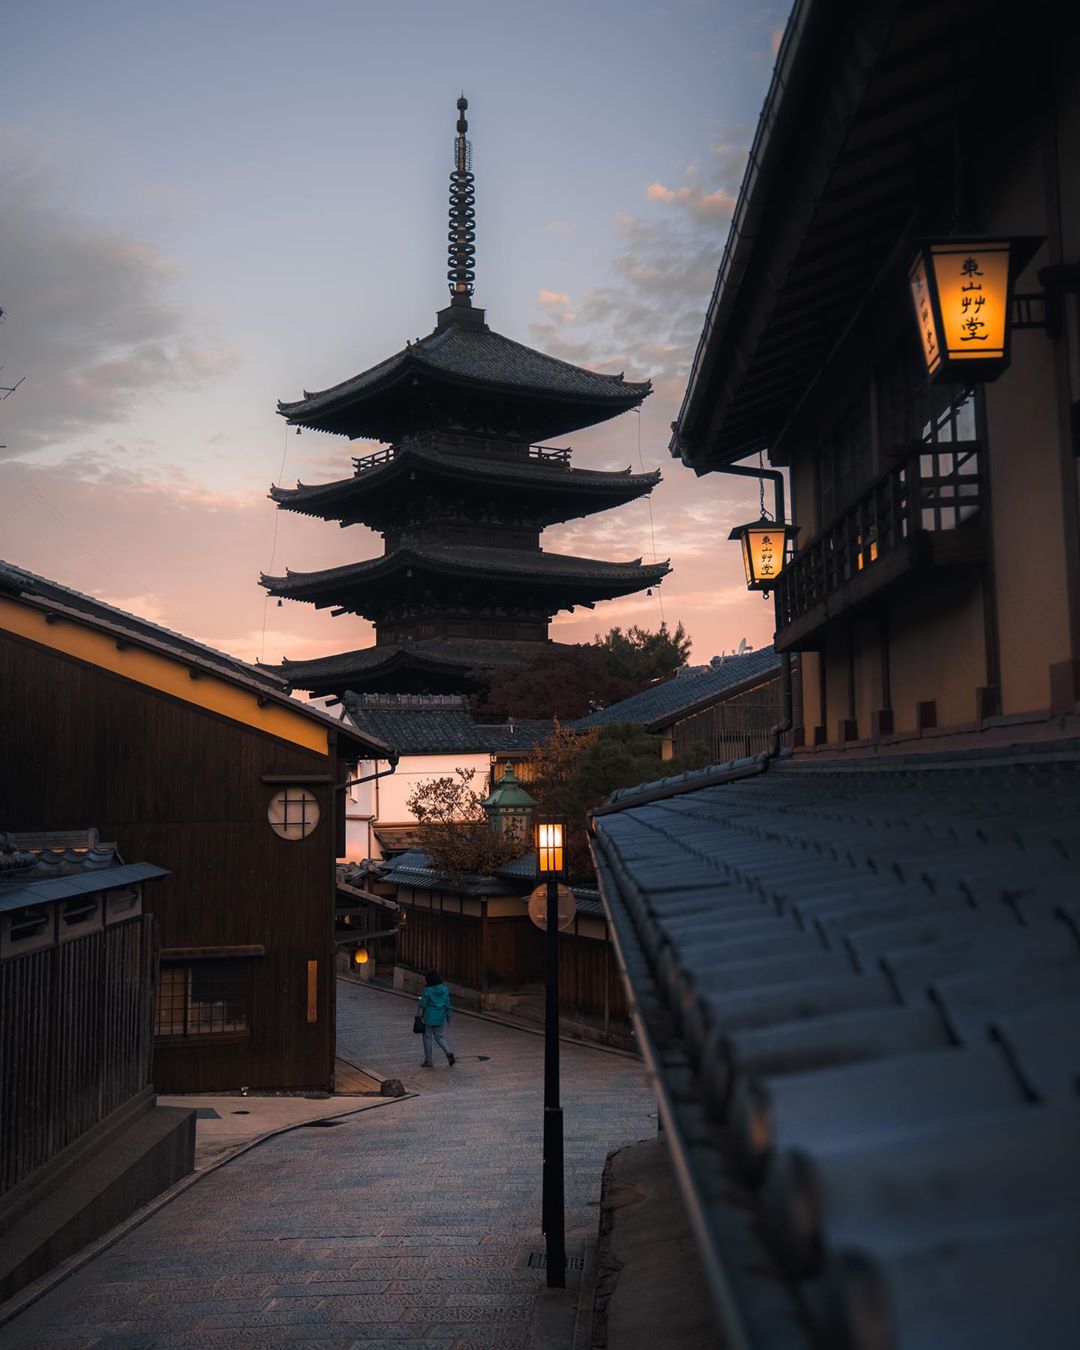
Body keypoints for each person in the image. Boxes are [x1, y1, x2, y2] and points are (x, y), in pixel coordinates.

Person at [418, 969, 455, 1068]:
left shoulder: (427, 990)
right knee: (440, 1036)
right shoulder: (445, 989)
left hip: (429, 1017)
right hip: (440, 1016)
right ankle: (448, 1052)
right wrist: (449, 1017)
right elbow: (447, 1004)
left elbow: (423, 1004)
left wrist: (420, 1012)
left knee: (427, 1037)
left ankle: (428, 1060)